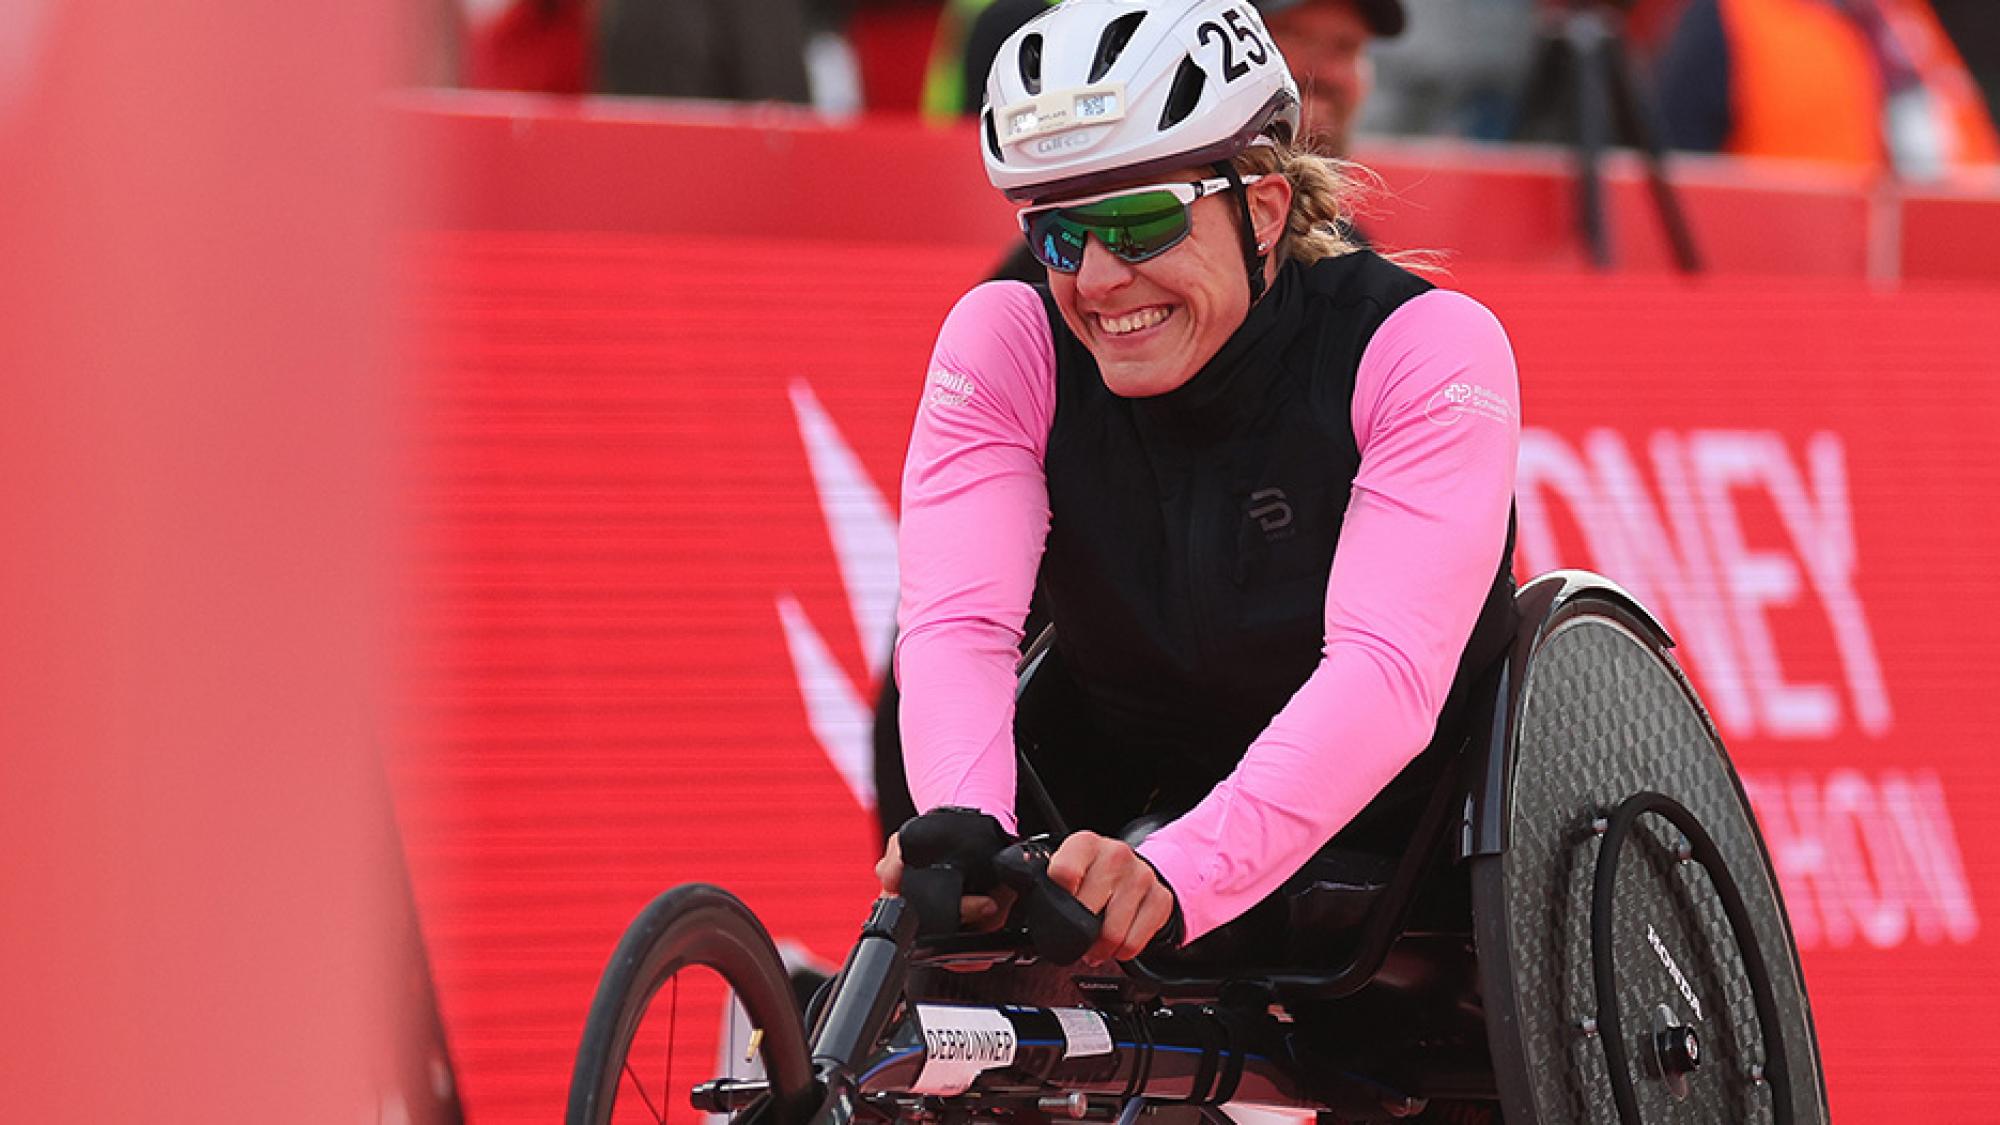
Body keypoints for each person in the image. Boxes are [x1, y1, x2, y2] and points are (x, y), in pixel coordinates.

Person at [876, 0, 1523, 965]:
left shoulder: (1425, 347)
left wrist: (1183, 869)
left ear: (1262, 210)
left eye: (1140, 226)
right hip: (1125, 784)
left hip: (1407, 829)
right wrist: (967, 821)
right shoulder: (1006, 339)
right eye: (1059, 235)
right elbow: (959, 627)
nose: (1096, 280)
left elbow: (1385, 676)